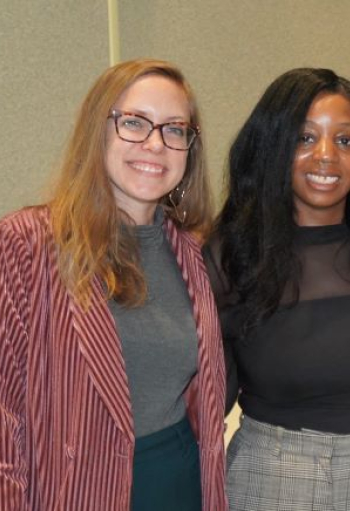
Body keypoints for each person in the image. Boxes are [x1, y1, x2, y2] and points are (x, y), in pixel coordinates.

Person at [0, 59, 227, 510]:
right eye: (134, 123)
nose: (155, 144)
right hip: (73, 490)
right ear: (97, 130)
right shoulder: (25, 244)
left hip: (178, 483)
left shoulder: (193, 254)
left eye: (174, 129)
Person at [205, 68, 350, 511]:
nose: (325, 156)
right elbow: (203, 396)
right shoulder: (230, 256)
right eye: (303, 139)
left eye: (345, 141)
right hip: (269, 479)